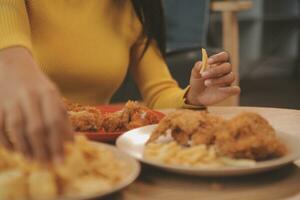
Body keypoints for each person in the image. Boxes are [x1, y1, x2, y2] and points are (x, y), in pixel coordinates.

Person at [0, 0, 240, 162]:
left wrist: (192, 97)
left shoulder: (133, 8)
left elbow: (159, 93)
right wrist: (12, 62)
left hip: (94, 156)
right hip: (14, 149)